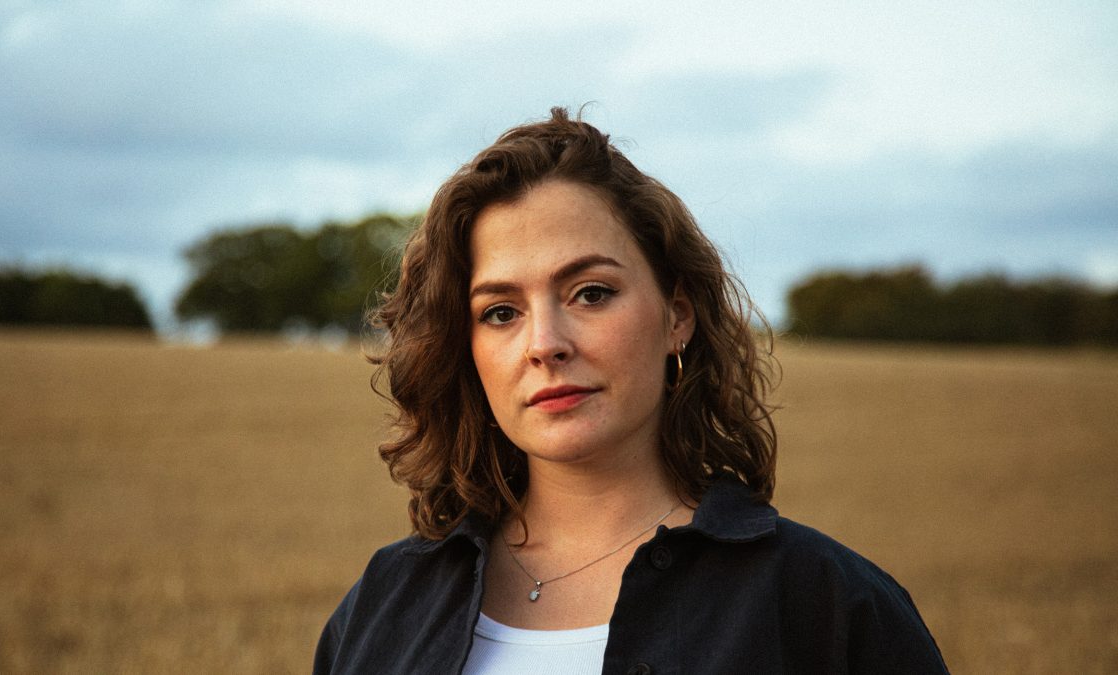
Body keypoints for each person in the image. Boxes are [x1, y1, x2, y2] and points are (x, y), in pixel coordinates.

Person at [314, 108, 948, 674]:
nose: (545, 344)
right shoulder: (386, 601)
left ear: (677, 316)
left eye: (590, 293)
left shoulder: (825, 602)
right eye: (500, 312)